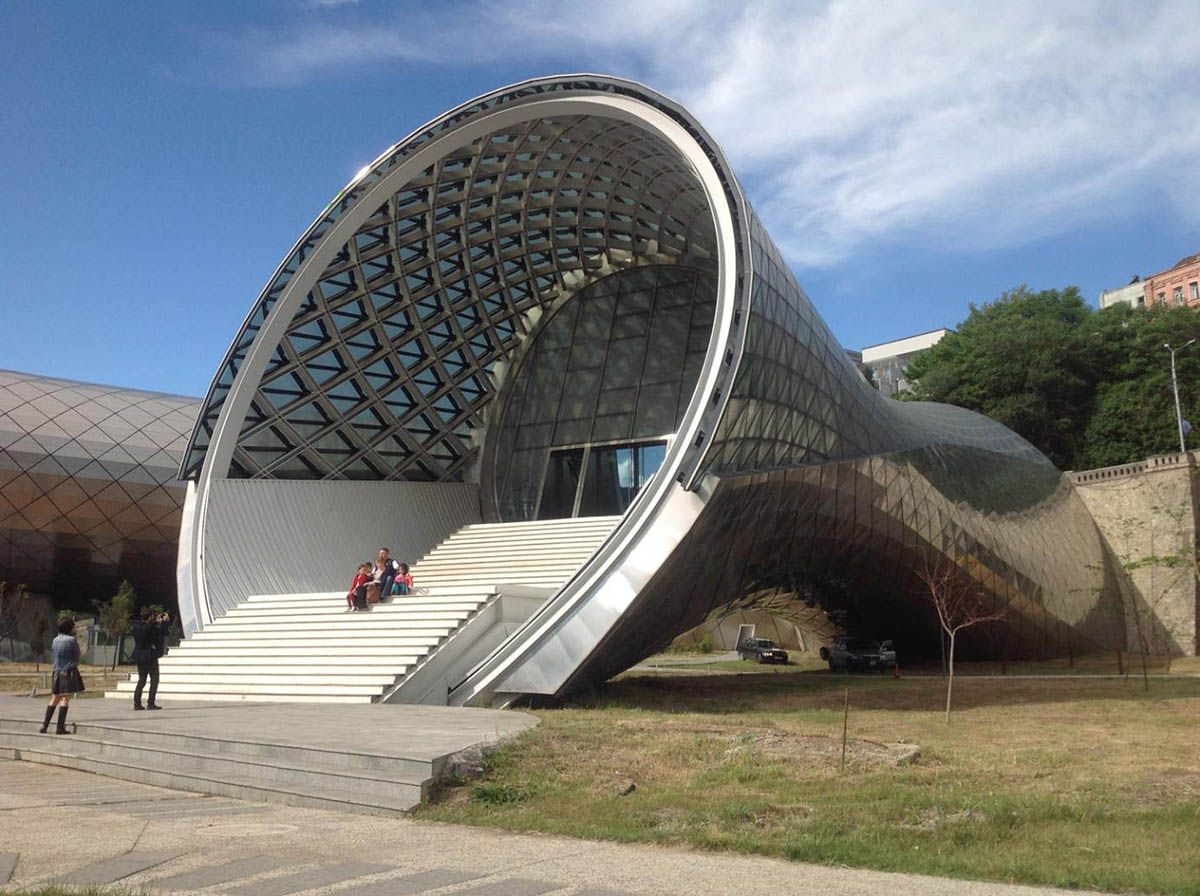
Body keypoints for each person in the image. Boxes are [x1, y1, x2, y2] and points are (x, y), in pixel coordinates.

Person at [40, 617, 83, 734]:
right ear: (69, 628)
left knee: (54, 699)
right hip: (68, 671)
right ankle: (60, 727)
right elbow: (77, 656)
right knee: (65, 699)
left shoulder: (55, 639)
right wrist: (73, 664)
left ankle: (45, 725)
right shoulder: (71, 640)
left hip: (57, 671)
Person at [130, 608, 169, 710]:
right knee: (154, 679)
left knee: (142, 680)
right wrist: (159, 622)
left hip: (139, 655)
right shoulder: (147, 628)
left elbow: (163, 632)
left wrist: (162, 622)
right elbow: (160, 632)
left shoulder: (135, 626)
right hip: (149, 655)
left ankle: (137, 703)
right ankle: (150, 703)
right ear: (150, 617)